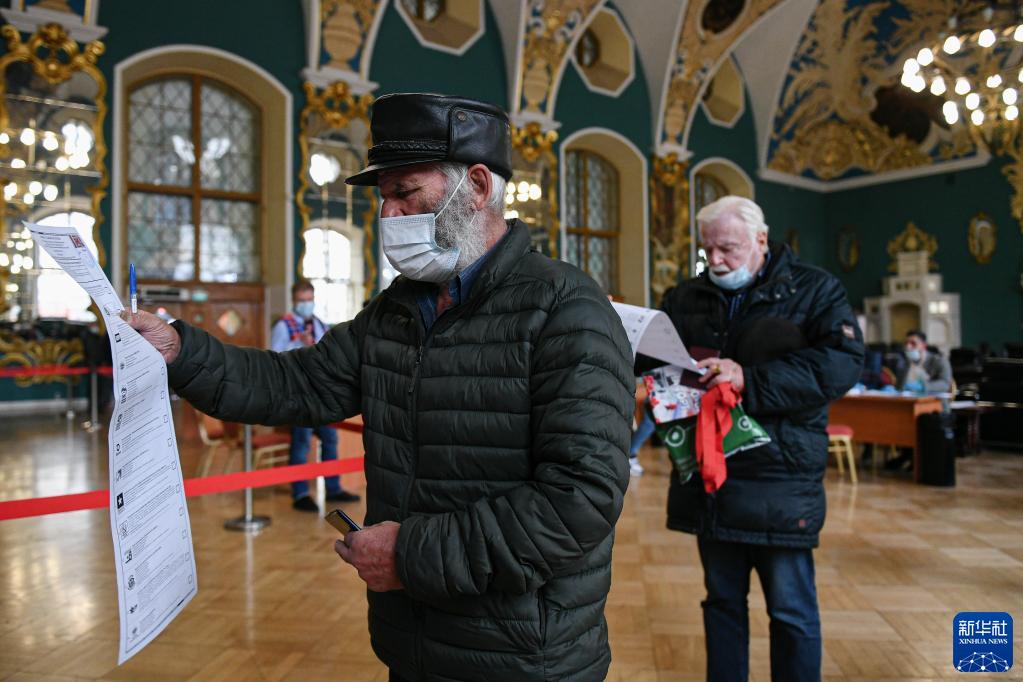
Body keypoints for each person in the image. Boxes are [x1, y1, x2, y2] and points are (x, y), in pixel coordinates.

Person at [124, 93, 633, 682]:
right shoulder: (398, 310)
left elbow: (580, 501)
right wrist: (181, 350)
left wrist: (409, 555)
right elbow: (297, 384)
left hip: (526, 654)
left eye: (405, 193)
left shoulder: (566, 310)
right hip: (413, 641)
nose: (388, 216)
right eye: (382, 197)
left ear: (475, 184)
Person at [653, 196, 864, 681]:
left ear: (761, 240)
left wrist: (749, 378)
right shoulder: (686, 297)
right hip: (710, 477)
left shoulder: (815, 290)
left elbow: (842, 363)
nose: (717, 261)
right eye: (709, 250)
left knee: (791, 611)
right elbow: (659, 357)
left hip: (781, 478)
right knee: (722, 603)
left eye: (728, 248)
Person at [270, 280, 360, 511]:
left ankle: (334, 488)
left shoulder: (319, 323)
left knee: (330, 441)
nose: (306, 304)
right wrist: (296, 343)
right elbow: (274, 359)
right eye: (302, 301)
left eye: (309, 299)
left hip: (322, 394)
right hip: (299, 394)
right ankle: (300, 494)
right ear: (294, 300)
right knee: (301, 444)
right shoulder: (284, 326)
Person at [898, 329, 952, 394]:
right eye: (906, 343)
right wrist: (895, 389)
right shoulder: (906, 362)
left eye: (913, 343)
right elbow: (901, 386)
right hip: (909, 401)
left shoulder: (939, 360)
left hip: (934, 401)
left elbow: (945, 384)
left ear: (924, 345)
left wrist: (923, 386)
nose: (908, 347)